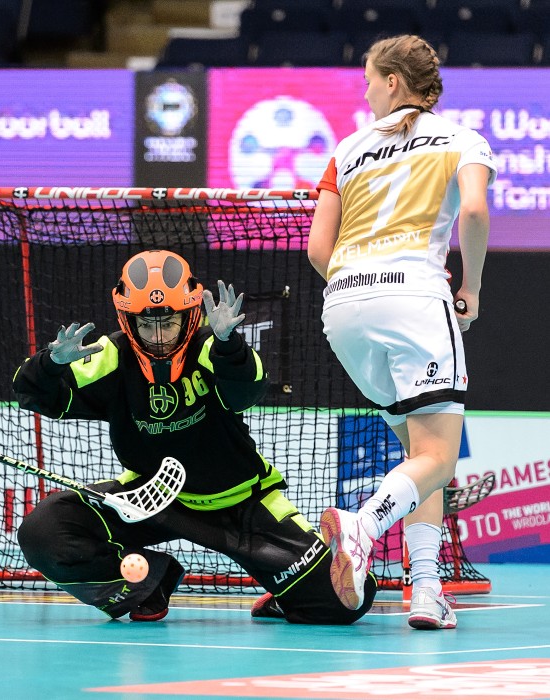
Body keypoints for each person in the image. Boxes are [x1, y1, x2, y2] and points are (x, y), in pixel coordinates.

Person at [12, 249, 376, 625]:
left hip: (241, 506)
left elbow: (247, 391)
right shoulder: (110, 355)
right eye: (145, 325)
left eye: (168, 324)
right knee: (45, 532)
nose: (157, 337)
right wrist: (49, 365)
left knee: (346, 601)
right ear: (127, 320)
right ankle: (150, 585)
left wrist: (228, 345)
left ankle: (287, 593)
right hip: (150, 499)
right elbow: (35, 395)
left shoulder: (211, 348)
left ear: (189, 316)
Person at [307, 35, 496, 630]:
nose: (364, 90)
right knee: (438, 458)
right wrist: (470, 286)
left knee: (418, 456)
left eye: (369, 79)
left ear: (394, 82)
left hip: (342, 307)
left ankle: (425, 591)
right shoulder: (463, 140)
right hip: (413, 296)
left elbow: (318, 248)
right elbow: (473, 212)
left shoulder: (346, 149)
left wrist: (359, 281)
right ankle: (363, 528)